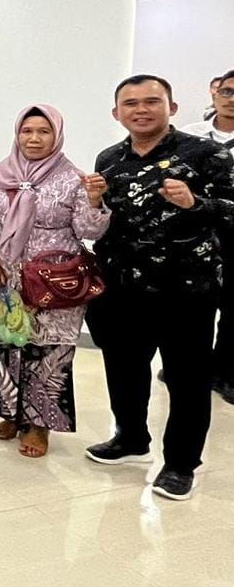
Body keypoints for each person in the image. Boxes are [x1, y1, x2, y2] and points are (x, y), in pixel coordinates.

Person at [87, 75, 234, 500]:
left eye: (151, 101)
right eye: (130, 103)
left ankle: (181, 464)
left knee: (187, 380)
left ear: (172, 107)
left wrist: (194, 203)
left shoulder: (206, 154)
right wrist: (94, 203)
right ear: (117, 113)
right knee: (123, 369)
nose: (141, 110)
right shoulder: (109, 158)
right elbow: (107, 220)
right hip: (123, 286)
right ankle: (131, 437)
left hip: (186, 289)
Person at [0, 104, 109, 459]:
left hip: (55, 281)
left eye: (43, 131)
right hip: (7, 278)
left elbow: (88, 231)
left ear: (57, 135)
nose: (34, 138)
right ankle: (10, 413)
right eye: (27, 131)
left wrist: (95, 201)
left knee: (49, 351)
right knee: (9, 344)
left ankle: (39, 424)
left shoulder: (74, 179)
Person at [180, 68, 234, 405]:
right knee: (191, 307)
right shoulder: (189, 135)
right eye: (227, 92)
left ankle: (225, 372)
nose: (232, 100)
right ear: (215, 93)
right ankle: (189, 367)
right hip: (194, 233)